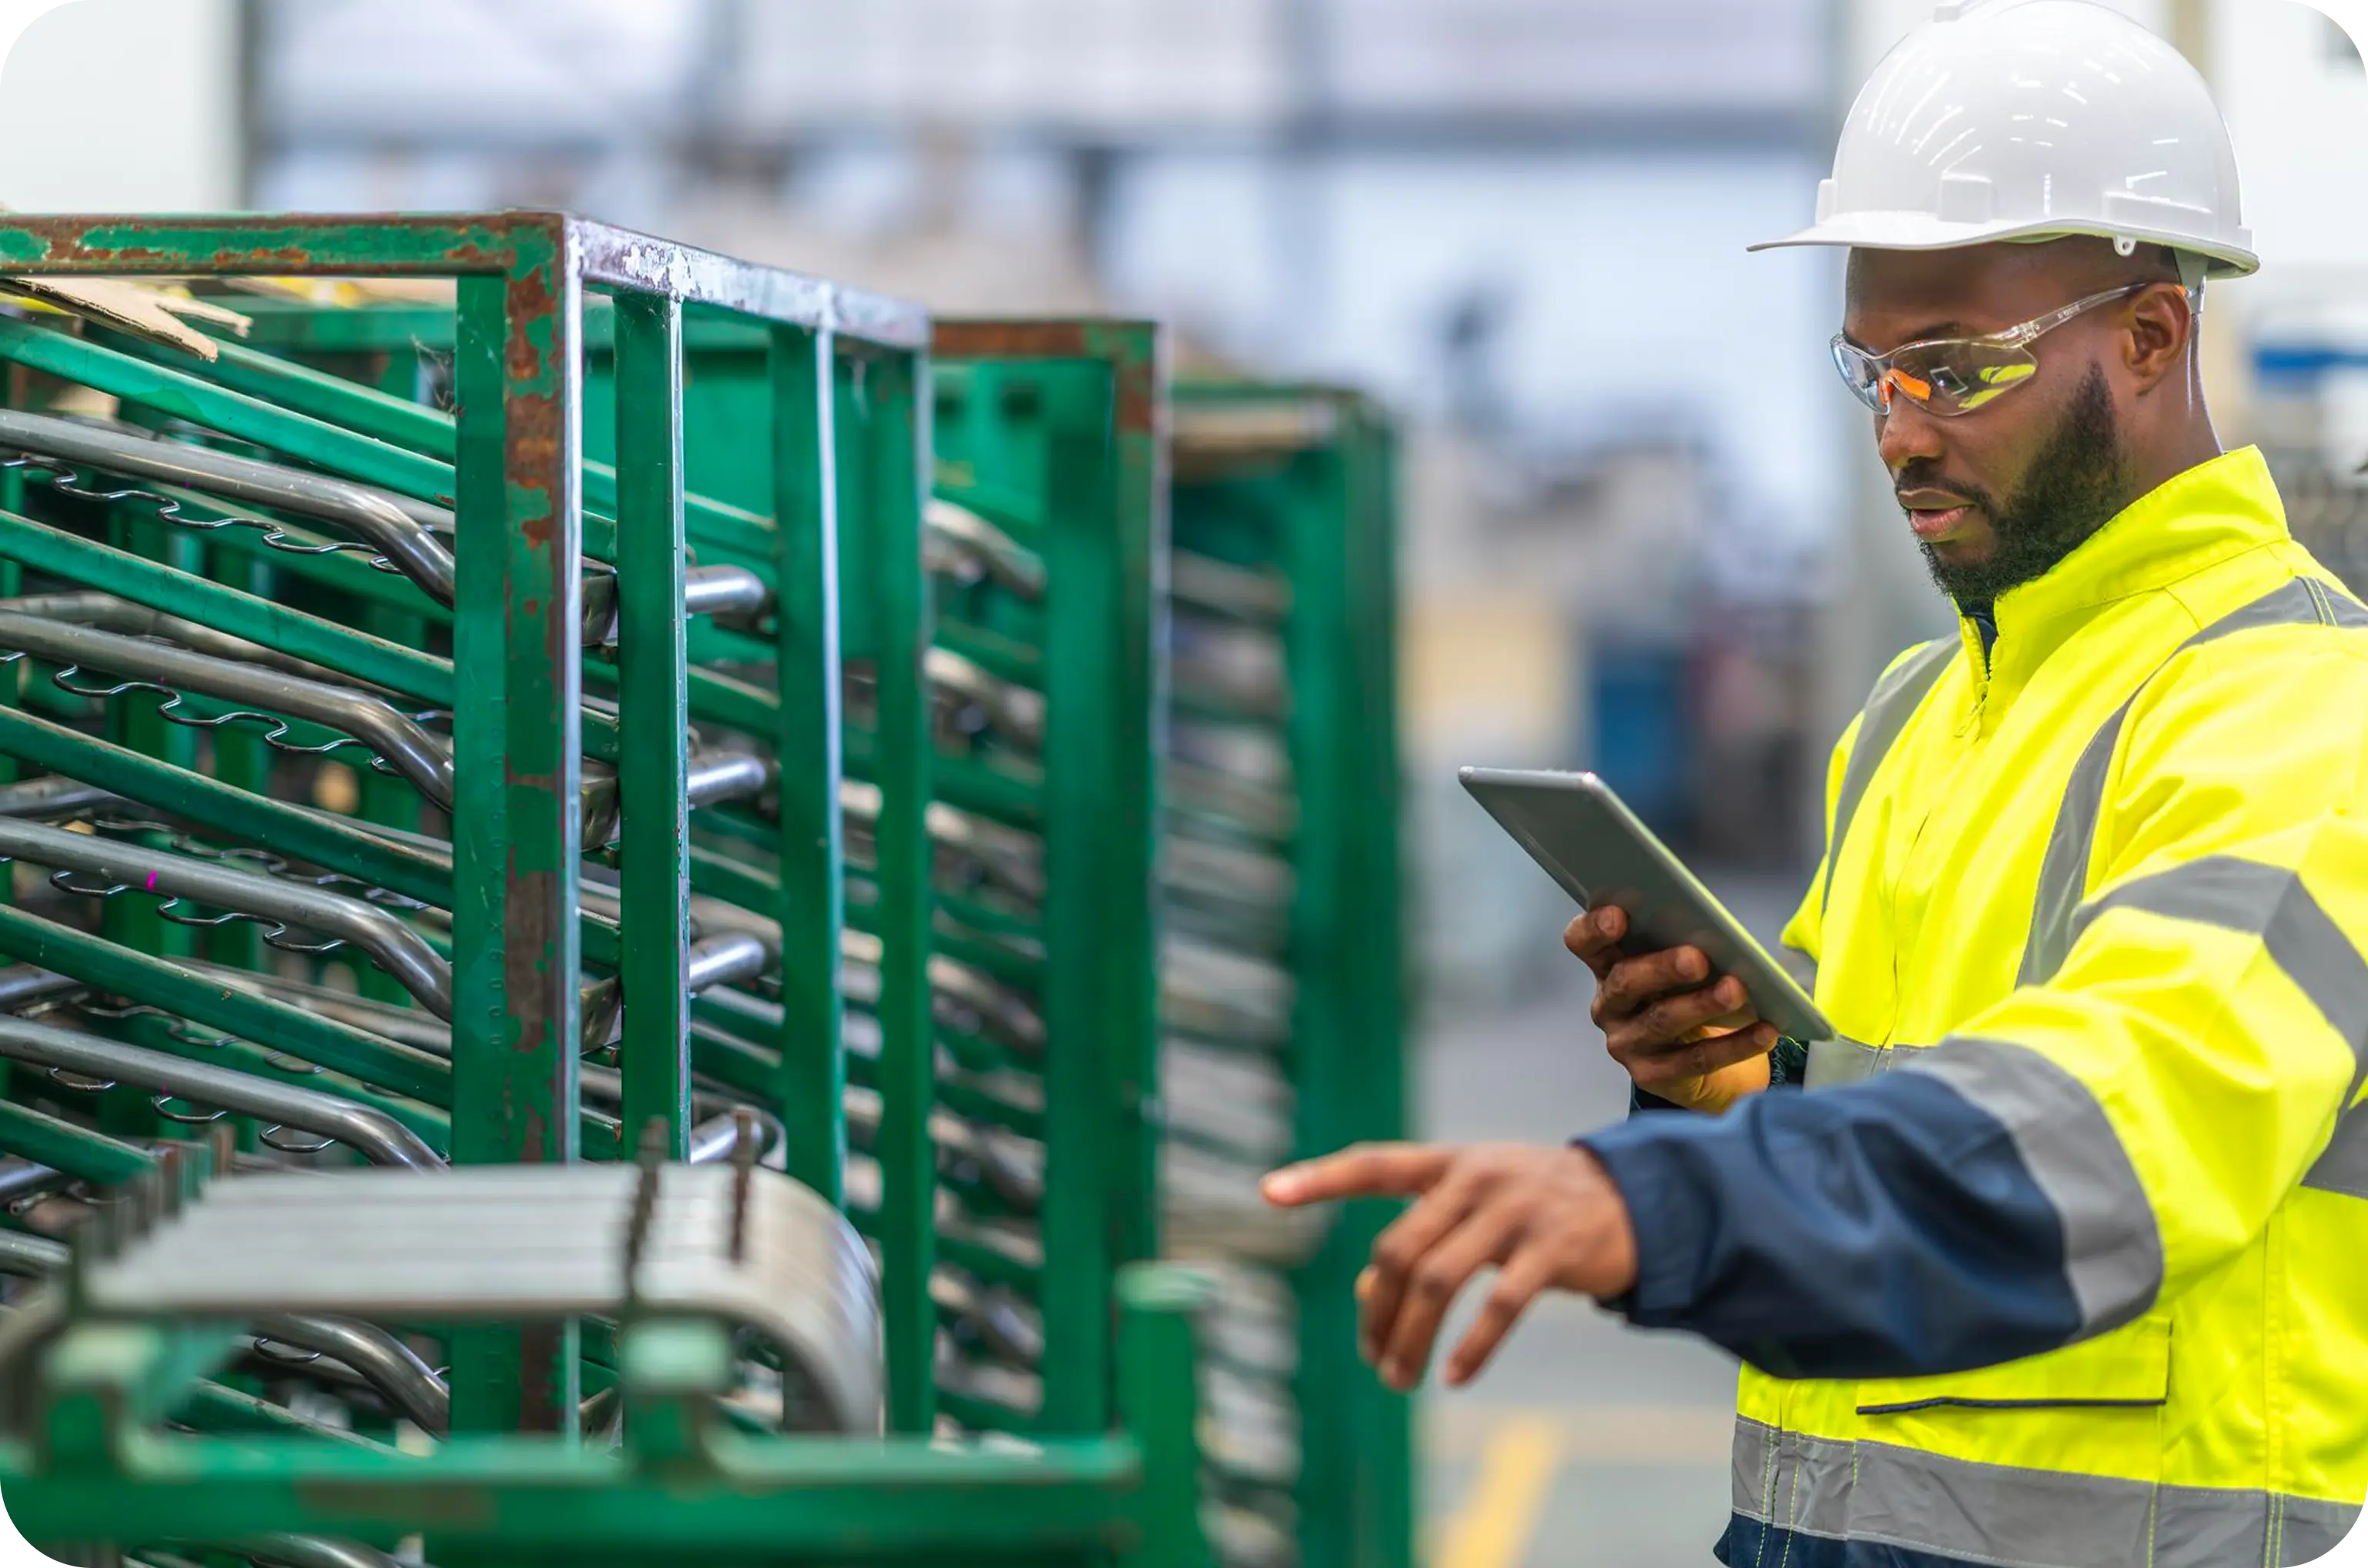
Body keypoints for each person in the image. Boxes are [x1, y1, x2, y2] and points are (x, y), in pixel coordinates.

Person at [1261, 3, 2368, 1564]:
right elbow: (1881, 1108)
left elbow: (2112, 1138)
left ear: (2149, 339)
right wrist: (1715, 1088)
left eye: (1957, 372)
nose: (1903, 434)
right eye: (1875, 379)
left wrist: (1665, 1209)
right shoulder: (1921, 712)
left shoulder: (2306, 711)